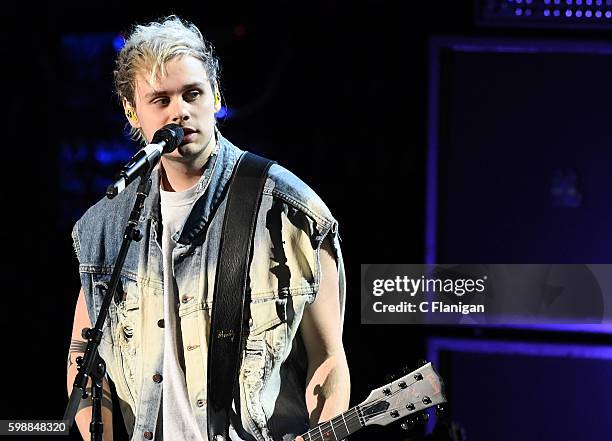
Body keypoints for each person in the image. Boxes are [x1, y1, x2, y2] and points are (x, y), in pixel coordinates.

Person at [66, 15, 349, 441]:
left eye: (192, 94)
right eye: (160, 100)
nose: (179, 110)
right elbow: (83, 358)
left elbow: (327, 359)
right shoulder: (105, 227)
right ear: (133, 112)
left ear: (215, 96)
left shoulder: (290, 212)